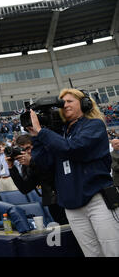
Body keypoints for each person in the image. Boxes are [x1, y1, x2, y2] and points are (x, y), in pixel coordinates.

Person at [29, 88, 119, 257]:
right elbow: (43, 163)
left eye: (70, 101)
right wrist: (36, 136)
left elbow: (74, 148)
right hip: (71, 206)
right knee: (91, 254)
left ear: (84, 104)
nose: (65, 105)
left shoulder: (94, 125)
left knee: (113, 251)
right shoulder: (59, 133)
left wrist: (43, 132)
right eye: (63, 103)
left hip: (98, 200)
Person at [6, 134, 68, 225]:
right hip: (52, 202)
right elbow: (25, 188)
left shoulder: (48, 154)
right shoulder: (27, 165)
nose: (26, 152)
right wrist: (12, 168)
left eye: (28, 148)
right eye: (22, 150)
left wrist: (32, 162)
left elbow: (51, 174)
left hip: (65, 198)